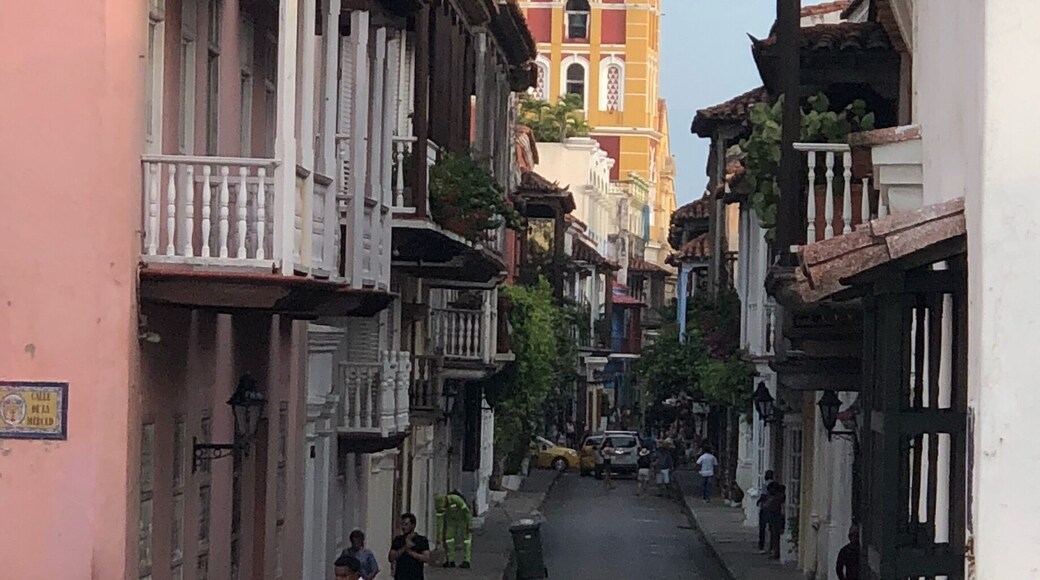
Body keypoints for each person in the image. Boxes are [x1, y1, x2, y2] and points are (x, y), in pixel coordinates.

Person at [389, 513, 431, 580]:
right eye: (402, 524)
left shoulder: (421, 540)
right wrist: (404, 548)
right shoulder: (398, 540)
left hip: (416, 576)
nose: (403, 527)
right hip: (400, 576)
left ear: (413, 525)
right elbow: (391, 558)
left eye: (406, 524)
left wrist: (410, 552)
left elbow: (426, 558)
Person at [442, 491, 473, 568]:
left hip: (463, 519)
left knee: (466, 541)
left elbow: (467, 511)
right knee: (448, 539)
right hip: (452, 521)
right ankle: (450, 560)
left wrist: (469, 525)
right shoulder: (444, 505)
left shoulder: (456, 499)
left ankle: (467, 561)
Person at [764, 482, 787, 559]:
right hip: (774, 518)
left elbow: (770, 507)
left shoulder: (777, 498)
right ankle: (773, 550)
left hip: (776, 518)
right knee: (774, 536)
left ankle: (775, 552)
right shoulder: (777, 498)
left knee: (775, 536)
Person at [756, 470, 776, 552]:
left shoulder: (765, 484)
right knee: (772, 528)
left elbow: (763, 495)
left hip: (765, 508)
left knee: (762, 528)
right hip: (772, 509)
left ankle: (761, 546)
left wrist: (759, 502)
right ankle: (771, 547)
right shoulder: (775, 484)